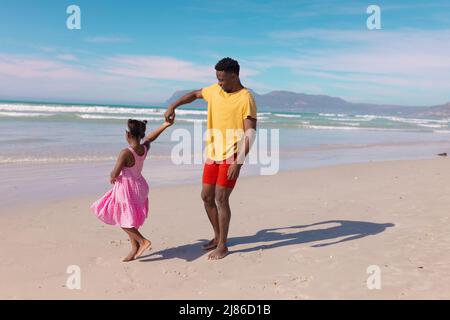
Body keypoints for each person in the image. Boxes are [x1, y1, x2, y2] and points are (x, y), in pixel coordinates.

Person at [164, 57, 257, 260]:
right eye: (217, 78)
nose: (219, 83)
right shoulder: (215, 90)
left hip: (232, 154)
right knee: (206, 197)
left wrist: (238, 162)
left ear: (234, 75)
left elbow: (250, 132)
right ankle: (217, 236)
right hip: (213, 153)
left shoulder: (245, 98)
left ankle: (223, 245)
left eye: (222, 79)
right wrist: (174, 105)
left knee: (221, 198)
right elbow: (195, 94)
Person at [91, 119, 173, 262]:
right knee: (129, 217)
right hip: (140, 186)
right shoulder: (144, 148)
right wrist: (165, 125)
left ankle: (142, 241)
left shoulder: (125, 153)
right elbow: (151, 138)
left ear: (127, 134)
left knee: (121, 217)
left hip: (127, 188)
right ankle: (134, 248)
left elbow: (114, 173)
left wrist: (112, 177)